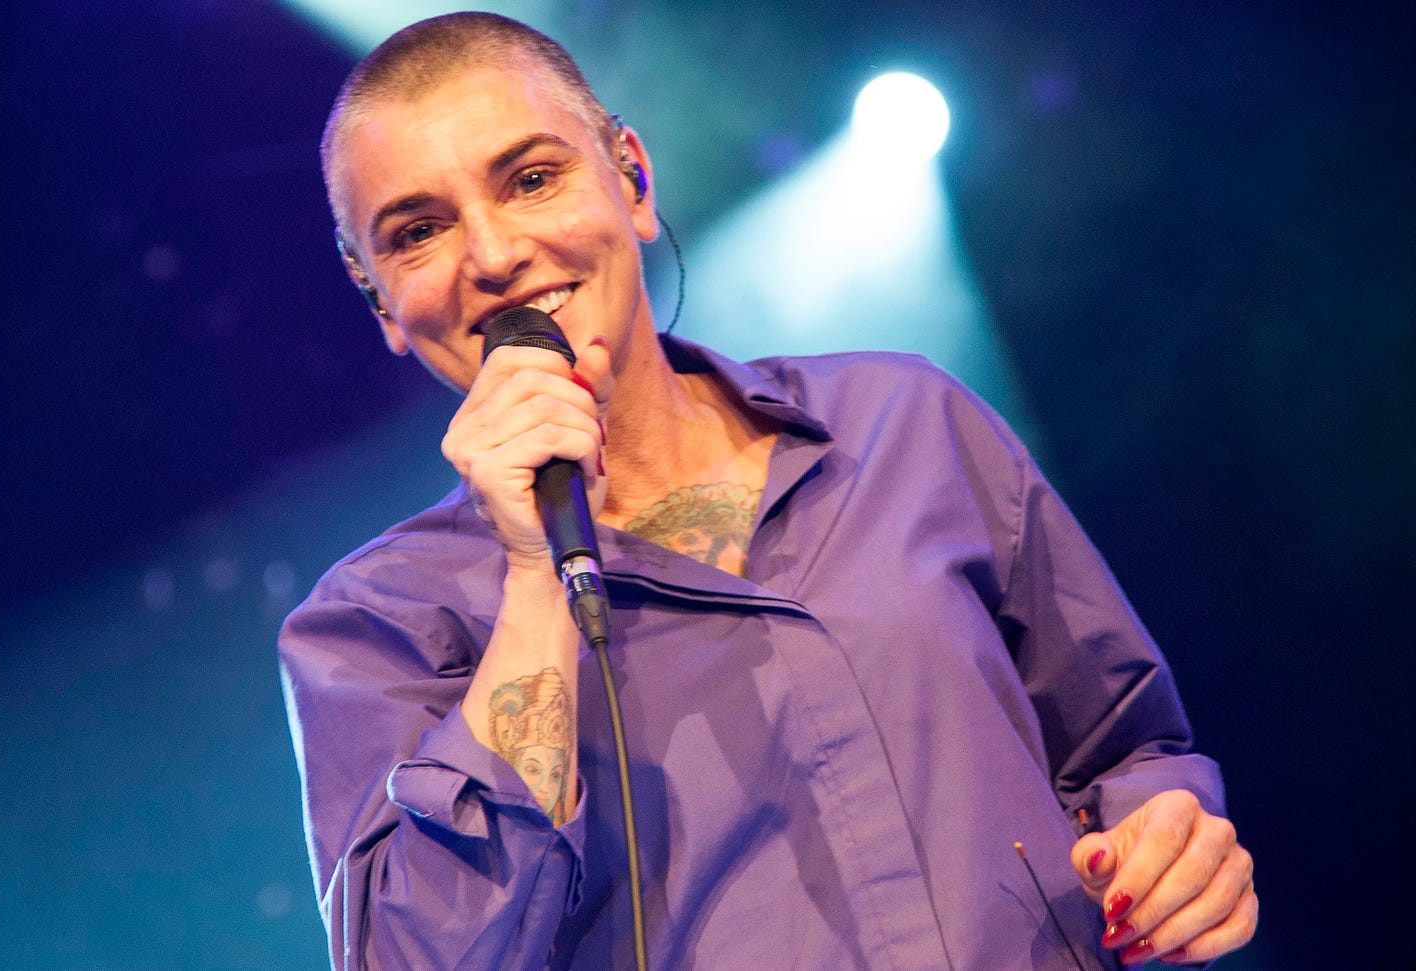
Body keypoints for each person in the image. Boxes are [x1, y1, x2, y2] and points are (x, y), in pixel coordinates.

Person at [279, 12, 1257, 970]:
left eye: (532, 178)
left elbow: (1123, 749)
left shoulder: (905, 422)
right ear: (380, 301)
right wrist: (535, 574)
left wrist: (1173, 846)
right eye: (418, 231)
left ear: (632, 179)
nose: (491, 255)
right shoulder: (377, 625)